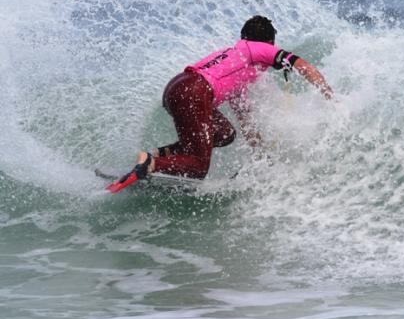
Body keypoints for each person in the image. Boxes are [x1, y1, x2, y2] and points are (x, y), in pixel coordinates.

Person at [107, 15, 334, 193]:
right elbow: (303, 66)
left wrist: (260, 154)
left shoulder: (236, 60)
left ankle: (158, 155)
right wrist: (330, 97)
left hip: (177, 88)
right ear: (269, 42)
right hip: (195, 93)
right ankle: (151, 163)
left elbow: (245, 119)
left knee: (225, 133)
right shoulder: (260, 48)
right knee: (198, 167)